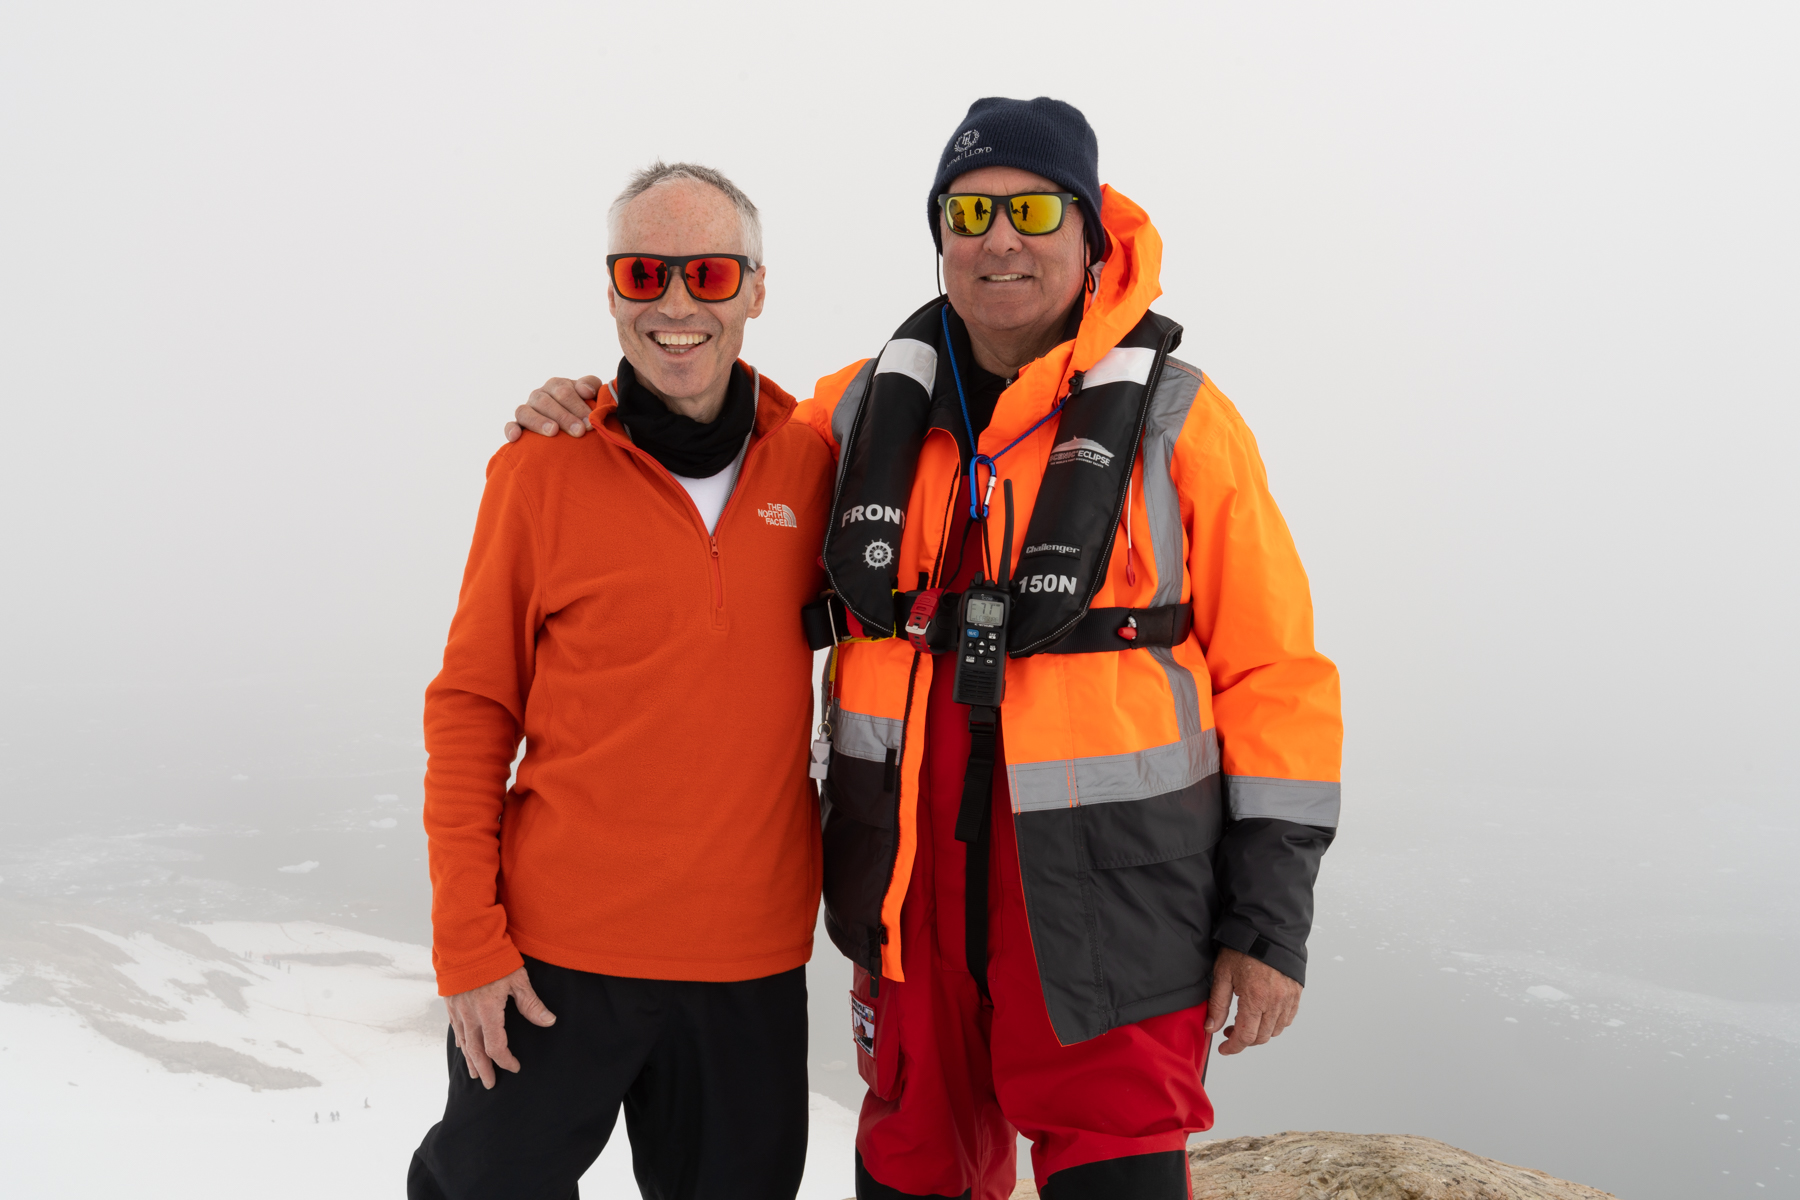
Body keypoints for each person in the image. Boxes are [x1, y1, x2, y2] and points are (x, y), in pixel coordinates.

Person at [511, 97, 1342, 1200]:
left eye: (1035, 208)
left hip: (1115, 921)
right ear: (941, 233)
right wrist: (590, 410)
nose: (1001, 237)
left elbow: (1277, 677)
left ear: (1092, 233)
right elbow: (704, 436)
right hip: (908, 920)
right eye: (971, 209)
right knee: (909, 1174)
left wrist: (1270, 924)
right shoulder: (859, 415)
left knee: (1119, 1177)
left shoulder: (1183, 425)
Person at [410, 161, 835, 1200]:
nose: (678, 303)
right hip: (554, 962)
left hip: (750, 964)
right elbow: (471, 713)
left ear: (758, 288)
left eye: (711, 273)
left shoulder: (820, 466)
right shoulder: (539, 470)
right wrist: (469, 946)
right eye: (645, 274)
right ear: (613, 293)